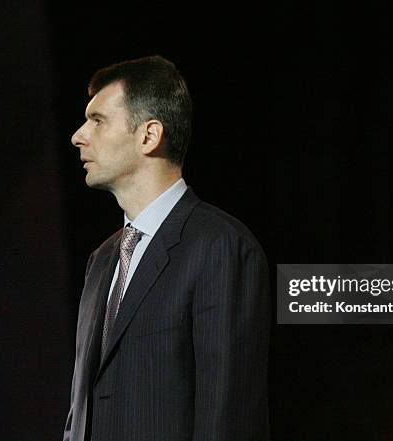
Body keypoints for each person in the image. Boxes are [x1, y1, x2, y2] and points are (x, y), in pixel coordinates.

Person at [63, 55, 271, 441]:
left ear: (149, 135)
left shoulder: (219, 245)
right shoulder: (102, 259)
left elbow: (228, 417)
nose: (78, 135)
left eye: (97, 120)